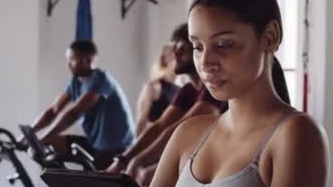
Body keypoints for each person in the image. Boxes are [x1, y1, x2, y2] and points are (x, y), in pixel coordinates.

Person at [59, 0, 328, 187]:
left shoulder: (295, 135)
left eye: (224, 45)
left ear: (269, 37)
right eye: (198, 47)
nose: (206, 62)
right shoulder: (190, 132)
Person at [105, 23, 227, 178]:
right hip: (193, 155)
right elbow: (160, 126)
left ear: (198, 51)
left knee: (147, 174)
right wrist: (123, 160)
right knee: (144, 173)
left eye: (182, 49)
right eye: (174, 48)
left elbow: (180, 128)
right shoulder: (188, 91)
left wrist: (138, 161)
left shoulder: (213, 88)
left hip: (217, 158)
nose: (175, 54)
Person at [30, 39, 135, 170]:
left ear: (88, 60)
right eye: (68, 59)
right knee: (48, 144)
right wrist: (29, 134)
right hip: (95, 144)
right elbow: (53, 110)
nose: (69, 64)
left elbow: (74, 113)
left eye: (73, 59)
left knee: (92, 185)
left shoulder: (101, 80)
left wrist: (43, 136)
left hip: (115, 148)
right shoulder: (76, 82)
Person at [135, 45, 180, 136]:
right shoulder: (153, 87)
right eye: (174, 57)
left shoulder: (182, 89)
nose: (180, 60)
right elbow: (141, 123)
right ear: (165, 60)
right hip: (154, 143)